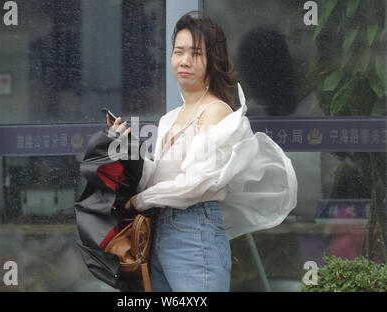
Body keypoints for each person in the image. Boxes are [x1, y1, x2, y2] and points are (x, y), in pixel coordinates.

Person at [107, 11, 297, 292]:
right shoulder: (168, 119)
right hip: (160, 230)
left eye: (196, 53)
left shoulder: (217, 111)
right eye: (178, 51)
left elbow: (199, 183)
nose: (184, 60)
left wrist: (142, 200)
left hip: (194, 232)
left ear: (213, 60)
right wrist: (130, 148)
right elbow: (160, 177)